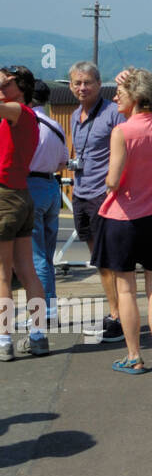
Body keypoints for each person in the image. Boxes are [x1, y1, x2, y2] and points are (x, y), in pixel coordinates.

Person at [94, 68, 152, 375]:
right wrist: (130, 79)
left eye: (120, 92)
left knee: (126, 291)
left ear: (134, 95)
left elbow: (113, 180)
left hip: (122, 219)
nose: (114, 96)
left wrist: (107, 178)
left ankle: (134, 357)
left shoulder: (121, 132)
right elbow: (144, 101)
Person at [68, 61, 126, 341]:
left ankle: (119, 317)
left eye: (87, 82)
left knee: (110, 261)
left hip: (104, 196)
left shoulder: (114, 113)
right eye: (77, 83)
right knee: (98, 260)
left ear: (99, 84)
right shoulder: (74, 115)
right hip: (80, 194)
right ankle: (115, 312)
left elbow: (128, 151)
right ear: (70, 86)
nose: (82, 87)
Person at [0, 65, 54, 358]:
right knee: (27, 271)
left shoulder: (19, 113)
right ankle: (37, 335)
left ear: (18, 88)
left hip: (5, 196)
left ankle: (4, 340)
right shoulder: (26, 117)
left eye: (5, 84)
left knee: (2, 276)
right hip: (21, 194)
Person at [28, 80, 67, 326]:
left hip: (31, 187)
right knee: (47, 255)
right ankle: (50, 308)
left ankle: (40, 314)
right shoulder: (55, 125)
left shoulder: (25, 124)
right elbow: (63, 161)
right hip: (53, 187)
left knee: (36, 256)